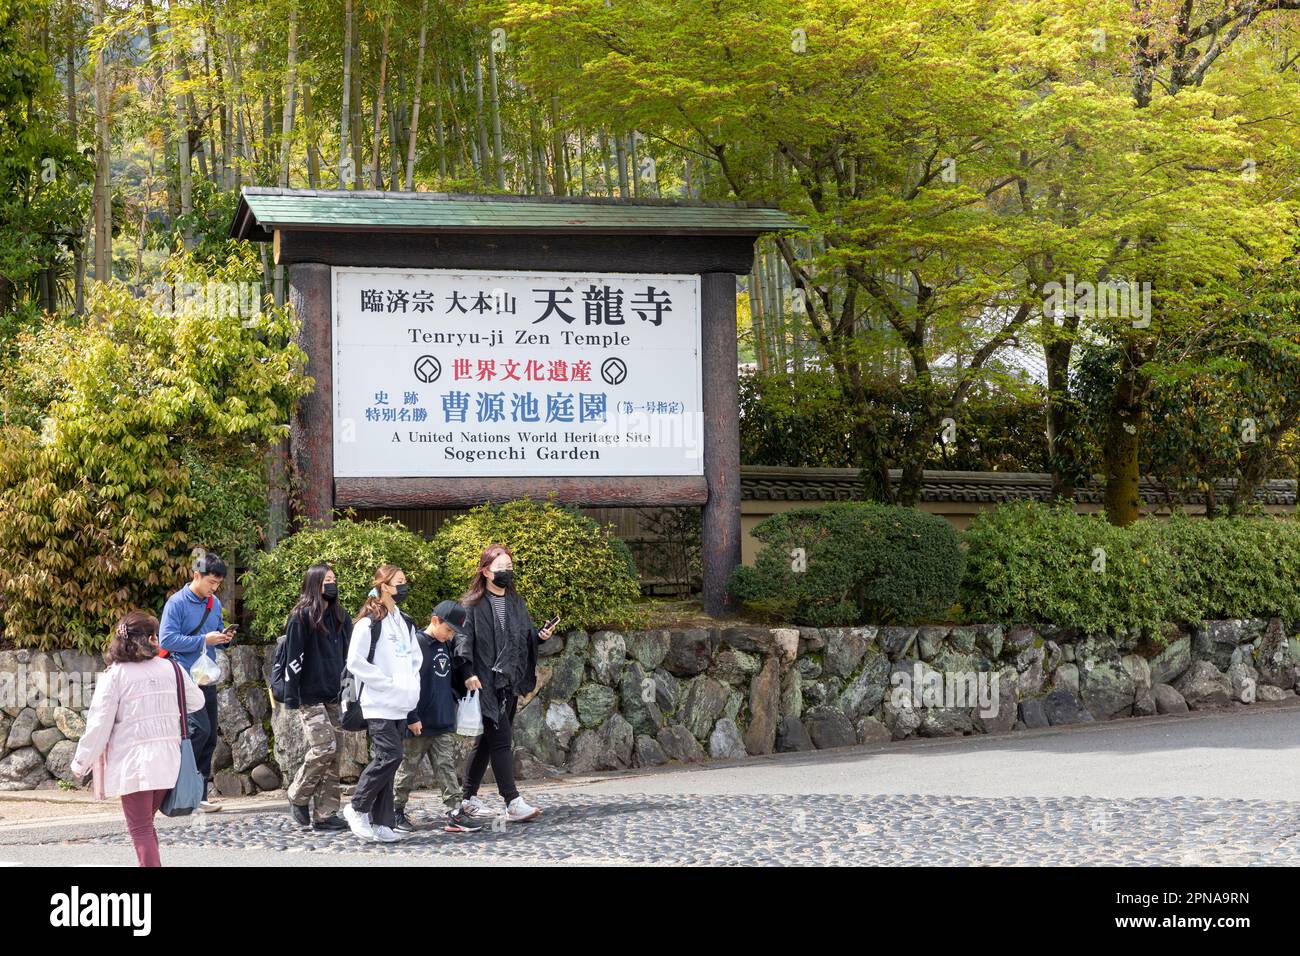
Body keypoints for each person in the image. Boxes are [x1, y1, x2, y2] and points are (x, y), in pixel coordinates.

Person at [71, 611, 206, 867]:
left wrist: (81, 763)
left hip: (134, 765)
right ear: (152, 639)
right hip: (168, 762)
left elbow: (99, 725)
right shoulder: (172, 668)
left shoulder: (115, 676)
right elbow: (197, 701)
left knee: (141, 829)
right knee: (146, 825)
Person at [454, 544, 558, 824]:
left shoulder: (516, 604)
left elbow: (522, 641)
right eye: (502, 568)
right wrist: (468, 672)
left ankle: (466, 798)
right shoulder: (471, 605)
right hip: (485, 683)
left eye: (510, 568)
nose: (507, 573)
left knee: (487, 741)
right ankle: (512, 801)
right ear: (486, 571)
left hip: (509, 681)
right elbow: (463, 642)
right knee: (501, 741)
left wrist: (540, 636)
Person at [342, 564, 423, 844]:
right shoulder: (369, 622)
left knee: (388, 765)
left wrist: (410, 688)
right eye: (399, 582)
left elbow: (415, 659)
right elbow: (355, 661)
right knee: (390, 756)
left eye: (405, 581)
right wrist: (386, 682)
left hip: (400, 702)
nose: (404, 587)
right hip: (377, 702)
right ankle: (357, 807)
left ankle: (382, 822)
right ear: (384, 587)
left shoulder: (406, 622)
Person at [392, 600, 483, 834]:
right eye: (448, 629)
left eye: (454, 632)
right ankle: (395, 810)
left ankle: (454, 812)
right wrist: (411, 716)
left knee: (446, 767)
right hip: (418, 723)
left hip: (442, 720)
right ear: (435, 621)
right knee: (407, 769)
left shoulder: (446, 645)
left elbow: (451, 676)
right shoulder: (417, 645)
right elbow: (406, 683)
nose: (450, 635)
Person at [159, 551, 232, 811]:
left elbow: (217, 630)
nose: (214, 588)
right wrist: (204, 640)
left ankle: (199, 795)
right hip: (182, 677)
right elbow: (166, 640)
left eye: (218, 584)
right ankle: (178, 790)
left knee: (210, 735)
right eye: (211, 582)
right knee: (196, 731)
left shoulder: (214, 604)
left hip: (205, 676)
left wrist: (223, 637)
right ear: (196, 575)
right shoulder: (176, 603)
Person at [282, 562, 351, 832]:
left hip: (334, 693)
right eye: (326, 581)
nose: (331, 585)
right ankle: (297, 794)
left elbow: (348, 657)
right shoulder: (301, 616)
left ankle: (326, 813)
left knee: (336, 753)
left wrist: (350, 692)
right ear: (314, 585)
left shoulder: (340, 616)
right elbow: (293, 656)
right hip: (308, 695)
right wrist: (292, 695)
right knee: (324, 747)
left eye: (333, 580)